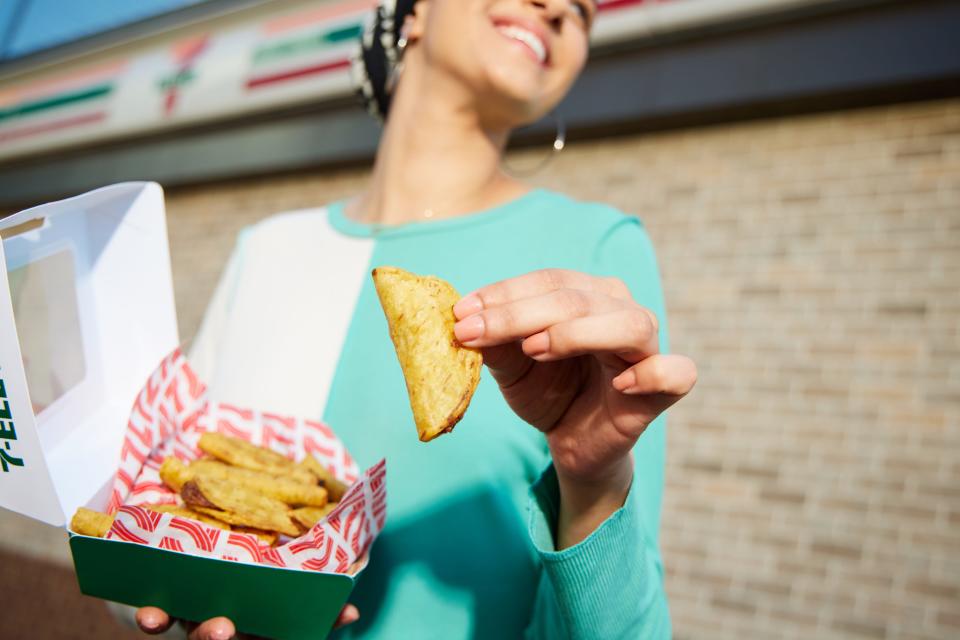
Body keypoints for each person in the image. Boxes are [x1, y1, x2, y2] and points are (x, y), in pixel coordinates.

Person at [132, 0, 697, 637]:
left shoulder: (596, 255)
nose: (562, 7)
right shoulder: (265, 250)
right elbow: (150, 518)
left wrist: (591, 485)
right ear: (416, 11)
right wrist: (174, 588)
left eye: (586, 11)